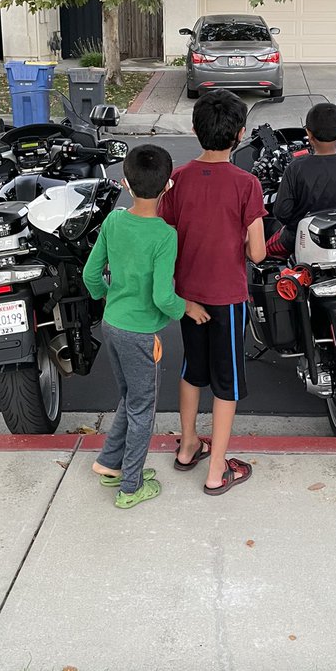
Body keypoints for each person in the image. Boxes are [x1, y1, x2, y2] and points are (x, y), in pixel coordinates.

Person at [82, 144, 210, 509]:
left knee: (130, 399)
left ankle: (109, 463)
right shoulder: (164, 235)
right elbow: (162, 297)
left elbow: (91, 274)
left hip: (112, 325)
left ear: (124, 183)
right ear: (168, 185)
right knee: (142, 408)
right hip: (140, 336)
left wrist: (107, 297)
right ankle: (131, 486)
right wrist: (187, 308)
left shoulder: (113, 221)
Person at [159, 90, 267, 496]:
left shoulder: (179, 179)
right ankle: (217, 469)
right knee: (227, 382)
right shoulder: (247, 183)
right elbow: (257, 251)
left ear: (194, 129)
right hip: (228, 299)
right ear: (240, 133)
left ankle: (188, 446)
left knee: (192, 368)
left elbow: (168, 237)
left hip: (188, 296)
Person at [265, 101, 336, 257]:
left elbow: (281, 212)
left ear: (309, 133)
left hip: (300, 238)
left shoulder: (295, 168)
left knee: (263, 252)